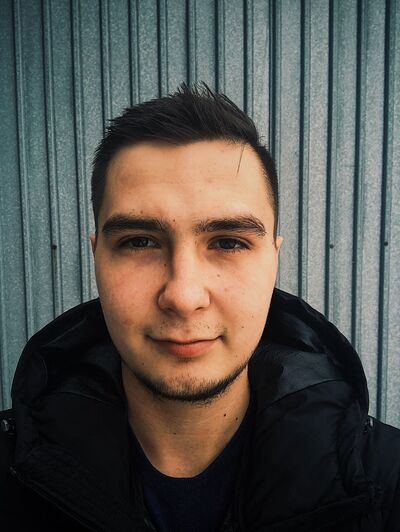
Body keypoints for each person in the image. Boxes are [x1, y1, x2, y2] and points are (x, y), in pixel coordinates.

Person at [1, 83, 399, 532]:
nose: (184, 297)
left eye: (229, 242)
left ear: (274, 259)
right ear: (97, 257)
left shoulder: (386, 484)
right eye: (139, 242)